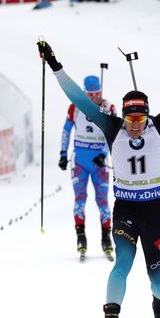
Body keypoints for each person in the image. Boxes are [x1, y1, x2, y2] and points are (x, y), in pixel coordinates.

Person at [38, 40, 160, 318]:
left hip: (156, 212)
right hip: (127, 210)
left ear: (147, 117)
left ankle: (158, 307)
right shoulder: (112, 126)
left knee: (157, 279)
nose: (134, 127)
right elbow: (79, 99)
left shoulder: (158, 128)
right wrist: (55, 66)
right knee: (122, 264)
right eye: (130, 120)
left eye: (139, 121)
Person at [58, 74, 116, 259]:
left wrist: (103, 154)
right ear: (84, 92)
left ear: (100, 92)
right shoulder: (75, 106)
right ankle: (81, 237)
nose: (92, 98)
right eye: (89, 94)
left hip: (99, 163)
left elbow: (114, 133)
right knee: (79, 200)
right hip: (80, 163)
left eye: (96, 94)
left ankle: (106, 238)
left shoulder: (108, 108)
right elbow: (66, 130)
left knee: (103, 202)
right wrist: (63, 154)